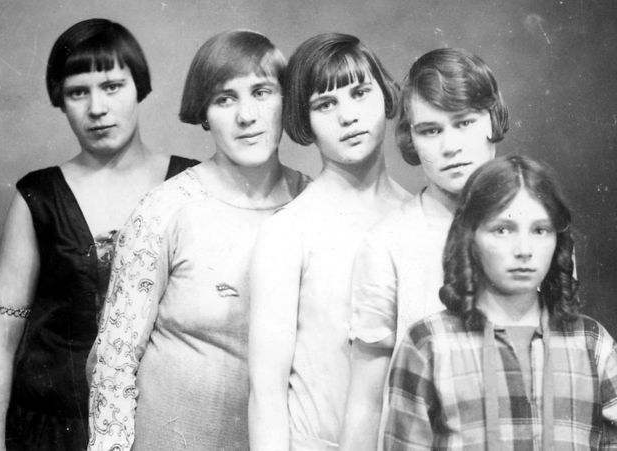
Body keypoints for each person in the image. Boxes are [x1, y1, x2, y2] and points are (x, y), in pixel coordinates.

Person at [0, 18, 198, 451]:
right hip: (49, 431)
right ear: (60, 100)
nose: (97, 108)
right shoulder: (39, 197)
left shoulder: (191, 185)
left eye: (112, 86)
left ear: (140, 88)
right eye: (78, 92)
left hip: (160, 430)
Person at [87, 30, 309, 451]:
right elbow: (113, 363)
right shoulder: (164, 210)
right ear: (204, 113)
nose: (247, 116)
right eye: (225, 99)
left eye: (262, 92)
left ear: (287, 100)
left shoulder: (313, 206)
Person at [383, 155, 617, 449]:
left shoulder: (592, 344)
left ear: (557, 240)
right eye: (503, 230)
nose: (524, 250)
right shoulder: (428, 344)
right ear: (470, 238)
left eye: (540, 230)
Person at [340, 48, 508, 450]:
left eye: (464, 122)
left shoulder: (537, 231)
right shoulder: (388, 243)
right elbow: (365, 401)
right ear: (410, 139)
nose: (450, 146)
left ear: (492, 120)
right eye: (430, 131)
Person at [248, 33, 410, 450]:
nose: (348, 116)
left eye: (360, 93)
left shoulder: (419, 218)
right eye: (325, 104)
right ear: (304, 121)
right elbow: (266, 395)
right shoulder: (289, 231)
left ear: (386, 96)